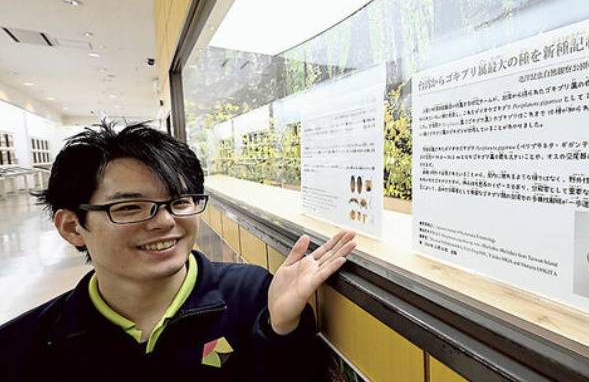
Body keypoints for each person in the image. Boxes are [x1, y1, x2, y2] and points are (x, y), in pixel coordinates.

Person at [0, 121, 356, 381]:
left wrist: (281, 330)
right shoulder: (26, 346)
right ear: (72, 227)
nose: (165, 221)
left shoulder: (252, 296)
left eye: (180, 202)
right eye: (130, 207)